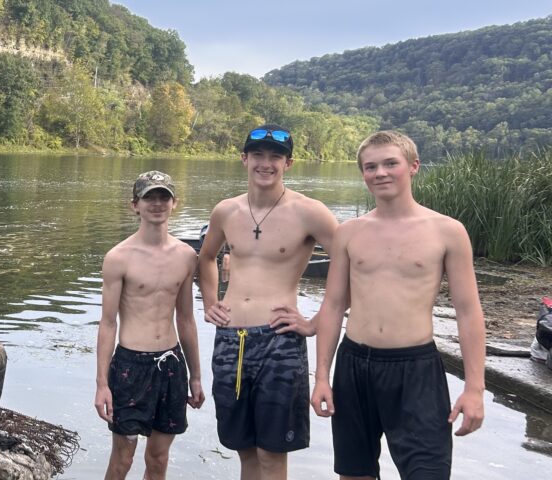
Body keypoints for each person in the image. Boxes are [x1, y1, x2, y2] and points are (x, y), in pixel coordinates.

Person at [310, 131, 485, 479]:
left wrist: (475, 388)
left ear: (413, 166)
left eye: (391, 163)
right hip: (354, 364)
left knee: (427, 471)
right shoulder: (349, 232)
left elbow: (468, 312)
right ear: (363, 173)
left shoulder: (447, 231)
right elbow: (332, 306)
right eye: (370, 166)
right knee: (354, 472)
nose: (380, 173)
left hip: (415, 367)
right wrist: (321, 377)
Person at [197, 124, 338, 480]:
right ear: (244, 158)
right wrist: (209, 300)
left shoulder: (310, 212)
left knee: (272, 453)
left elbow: (351, 266)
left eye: (275, 157)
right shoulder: (226, 211)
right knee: (243, 448)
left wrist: (316, 321)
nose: (266, 163)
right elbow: (206, 257)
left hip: (279, 341)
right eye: (258, 155)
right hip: (230, 338)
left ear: (288, 163)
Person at [94, 171, 205, 480]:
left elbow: (186, 318)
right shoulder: (118, 257)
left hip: (171, 364)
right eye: (149, 198)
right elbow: (107, 323)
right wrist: (102, 384)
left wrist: (195, 376)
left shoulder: (186, 256)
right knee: (123, 457)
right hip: (130, 365)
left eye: (163, 197)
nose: (157, 204)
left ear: (174, 203)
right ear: (135, 206)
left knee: (158, 457)